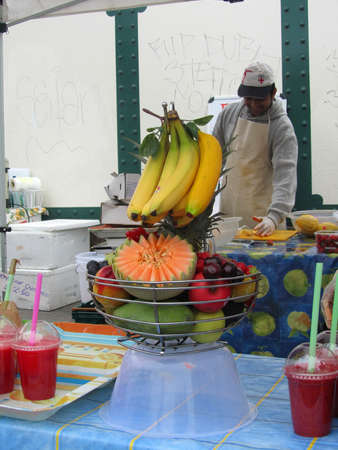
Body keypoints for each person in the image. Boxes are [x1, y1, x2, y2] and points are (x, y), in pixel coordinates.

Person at [213, 61, 298, 236]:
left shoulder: (282, 127)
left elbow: (286, 176)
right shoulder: (228, 115)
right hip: (229, 216)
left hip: (264, 223)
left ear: (273, 93)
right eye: (248, 99)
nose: (252, 105)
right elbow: (213, 160)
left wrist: (274, 217)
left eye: (259, 100)